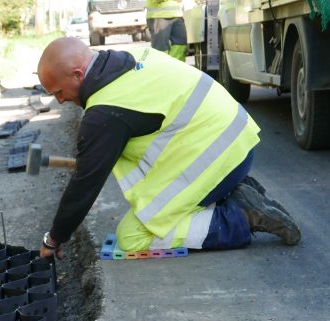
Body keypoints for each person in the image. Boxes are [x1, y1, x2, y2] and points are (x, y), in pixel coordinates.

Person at [35, 38, 300, 260]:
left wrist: (55, 237)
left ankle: (243, 216)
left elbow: (84, 185)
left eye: (58, 92)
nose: (60, 101)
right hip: (237, 141)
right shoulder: (132, 55)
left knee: (132, 236)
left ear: (78, 74)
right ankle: (232, 194)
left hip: (218, 158)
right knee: (154, 203)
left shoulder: (104, 113)